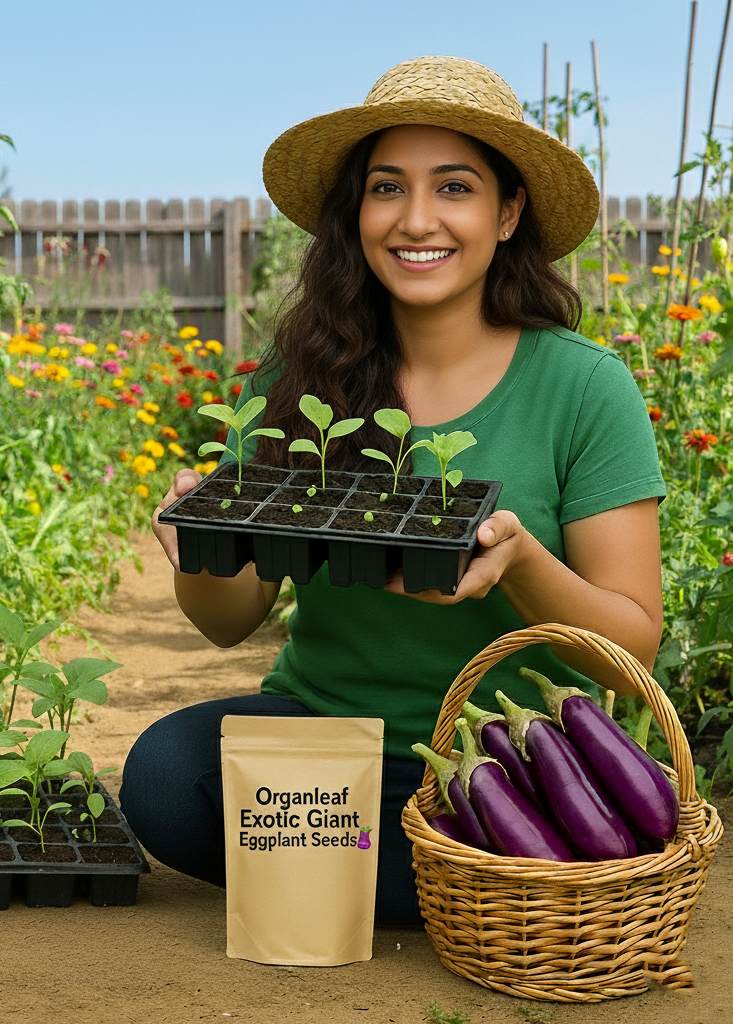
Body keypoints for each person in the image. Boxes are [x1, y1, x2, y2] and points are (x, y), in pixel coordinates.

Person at [119, 55, 666, 926]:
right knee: (162, 774)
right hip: (330, 740)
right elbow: (227, 621)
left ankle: (346, 865)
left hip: (517, 757)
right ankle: (475, 886)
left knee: (543, 813)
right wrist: (201, 550)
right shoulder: (292, 384)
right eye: (387, 188)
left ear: (507, 210)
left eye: (454, 187)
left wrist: (522, 561)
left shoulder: (585, 388)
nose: (417, 219)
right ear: (357, 213)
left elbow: (633, 654)